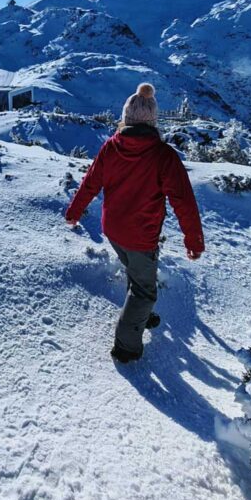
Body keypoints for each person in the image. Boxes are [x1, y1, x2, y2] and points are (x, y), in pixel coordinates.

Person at [65, 83, 204, 364]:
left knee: (136, 272)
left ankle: (140, 315)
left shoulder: (111, 146)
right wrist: (193, 241)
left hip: (113, 229)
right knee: (145, 290)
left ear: (126, 118)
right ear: (152, 121)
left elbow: (91, 182)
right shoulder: (163, 156)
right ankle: (126, 347)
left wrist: (74, 211)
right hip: (140, 235)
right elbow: (184, 202)